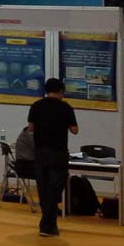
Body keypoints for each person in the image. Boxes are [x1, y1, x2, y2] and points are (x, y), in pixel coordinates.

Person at [27, 78, 78, 237]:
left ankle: (47, 224)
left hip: (40, 152)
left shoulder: (36, 106)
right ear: (61, 91)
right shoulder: (65, 107)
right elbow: (75, 130)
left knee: (43, 187)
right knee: (55, 187)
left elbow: (30, 128)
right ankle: (48, 225)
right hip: (58, 152)